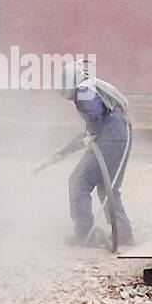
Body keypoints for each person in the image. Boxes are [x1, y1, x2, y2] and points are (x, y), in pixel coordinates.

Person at [50, 62, 134, 248]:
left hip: (112, 138)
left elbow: (94, 124)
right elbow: (91, 132)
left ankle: (85, 233)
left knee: (78, 182)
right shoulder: (91, 87)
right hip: (120, 134)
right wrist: (64, 151)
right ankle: (123, 234)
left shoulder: (83, 92)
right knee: (108, 188)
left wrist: (92, 133)